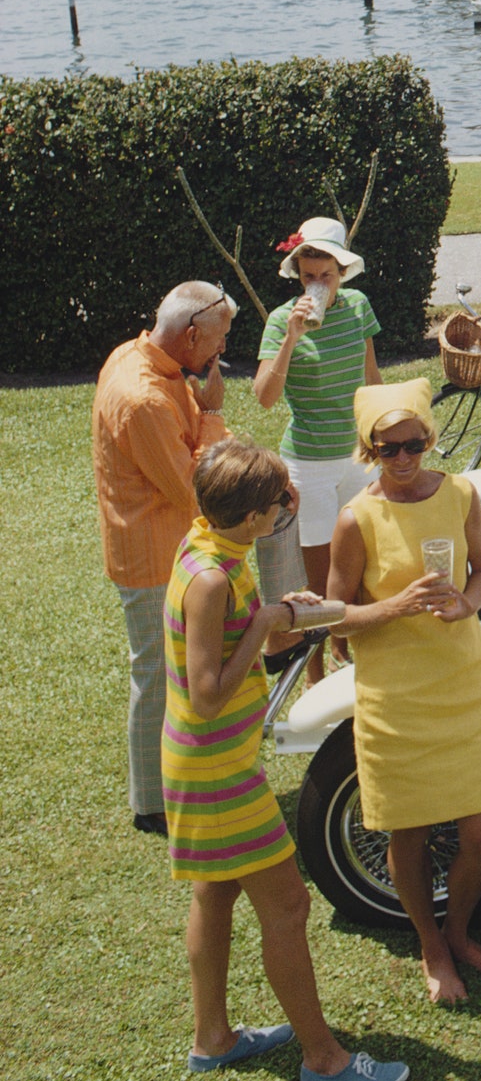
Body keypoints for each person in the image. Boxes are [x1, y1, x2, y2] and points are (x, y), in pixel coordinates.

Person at [164, 435, 407, 1081]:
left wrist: (286, 616)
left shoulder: (213, 546)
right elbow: (209, 693)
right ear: (252, 517)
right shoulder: (213, 580)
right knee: (289, 906)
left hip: (206, 762)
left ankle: (212, 1039)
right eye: (281, 502)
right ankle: (324, 1060)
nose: (287, 509)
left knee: (215, 894)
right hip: (217, 770)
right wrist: (267, 618)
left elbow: (258, 633)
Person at [327, 381, 481, 1007]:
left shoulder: (460, 493)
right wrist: (395, 607)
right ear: (369, 450)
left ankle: (458, 933)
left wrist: (468, 603)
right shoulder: (357, 518)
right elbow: (333, 618)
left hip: (461, 685)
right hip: (395, 698)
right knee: (406, 835)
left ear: (429, 440)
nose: (402, 460)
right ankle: (430, 946)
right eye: (387, 450)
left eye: (412, 445)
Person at [92, 281, 237, 835]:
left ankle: (179, 784)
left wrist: (198, 409)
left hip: (160, 547)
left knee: (167, 672)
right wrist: (214, 415)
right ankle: (153, 805)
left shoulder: (136, 356)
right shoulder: (144, 397)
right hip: (154, 557)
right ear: (191, 333)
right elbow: (198, 492)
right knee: (158, 674)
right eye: (218, 340)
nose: (220, 351)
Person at [254, 215, 381, 658]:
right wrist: (291, 338)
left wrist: (380, 433)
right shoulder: (279, 321)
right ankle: (312, 672)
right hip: (308, 462)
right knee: (318, 576)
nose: (317, 285)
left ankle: (352, 654)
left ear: (341, 273)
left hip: (356, 455)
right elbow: (264, 397)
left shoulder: (359, 307)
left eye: (326, 276)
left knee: (361, 564)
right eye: (308, 277)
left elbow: (371, 377)